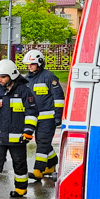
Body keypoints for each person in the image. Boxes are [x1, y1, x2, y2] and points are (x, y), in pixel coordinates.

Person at [0, 59, 38, 198]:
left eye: (3, 77)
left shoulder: (24, 91)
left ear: (12, 76)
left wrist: (28, 132)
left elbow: (31, 112)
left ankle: (20, 189)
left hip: (18, 138)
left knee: (19, 163)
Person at [23, 49, 65, 180]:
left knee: (42, 143)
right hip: (33, 117)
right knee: (44, 142)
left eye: (32, 64)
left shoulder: (49, 77)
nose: (29, 67)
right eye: (28, 64)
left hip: (48, 118)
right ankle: (52, 163)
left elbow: (58, 98)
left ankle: (38, 170)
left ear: (40, 63)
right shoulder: (26, 80)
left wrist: (58, 116)